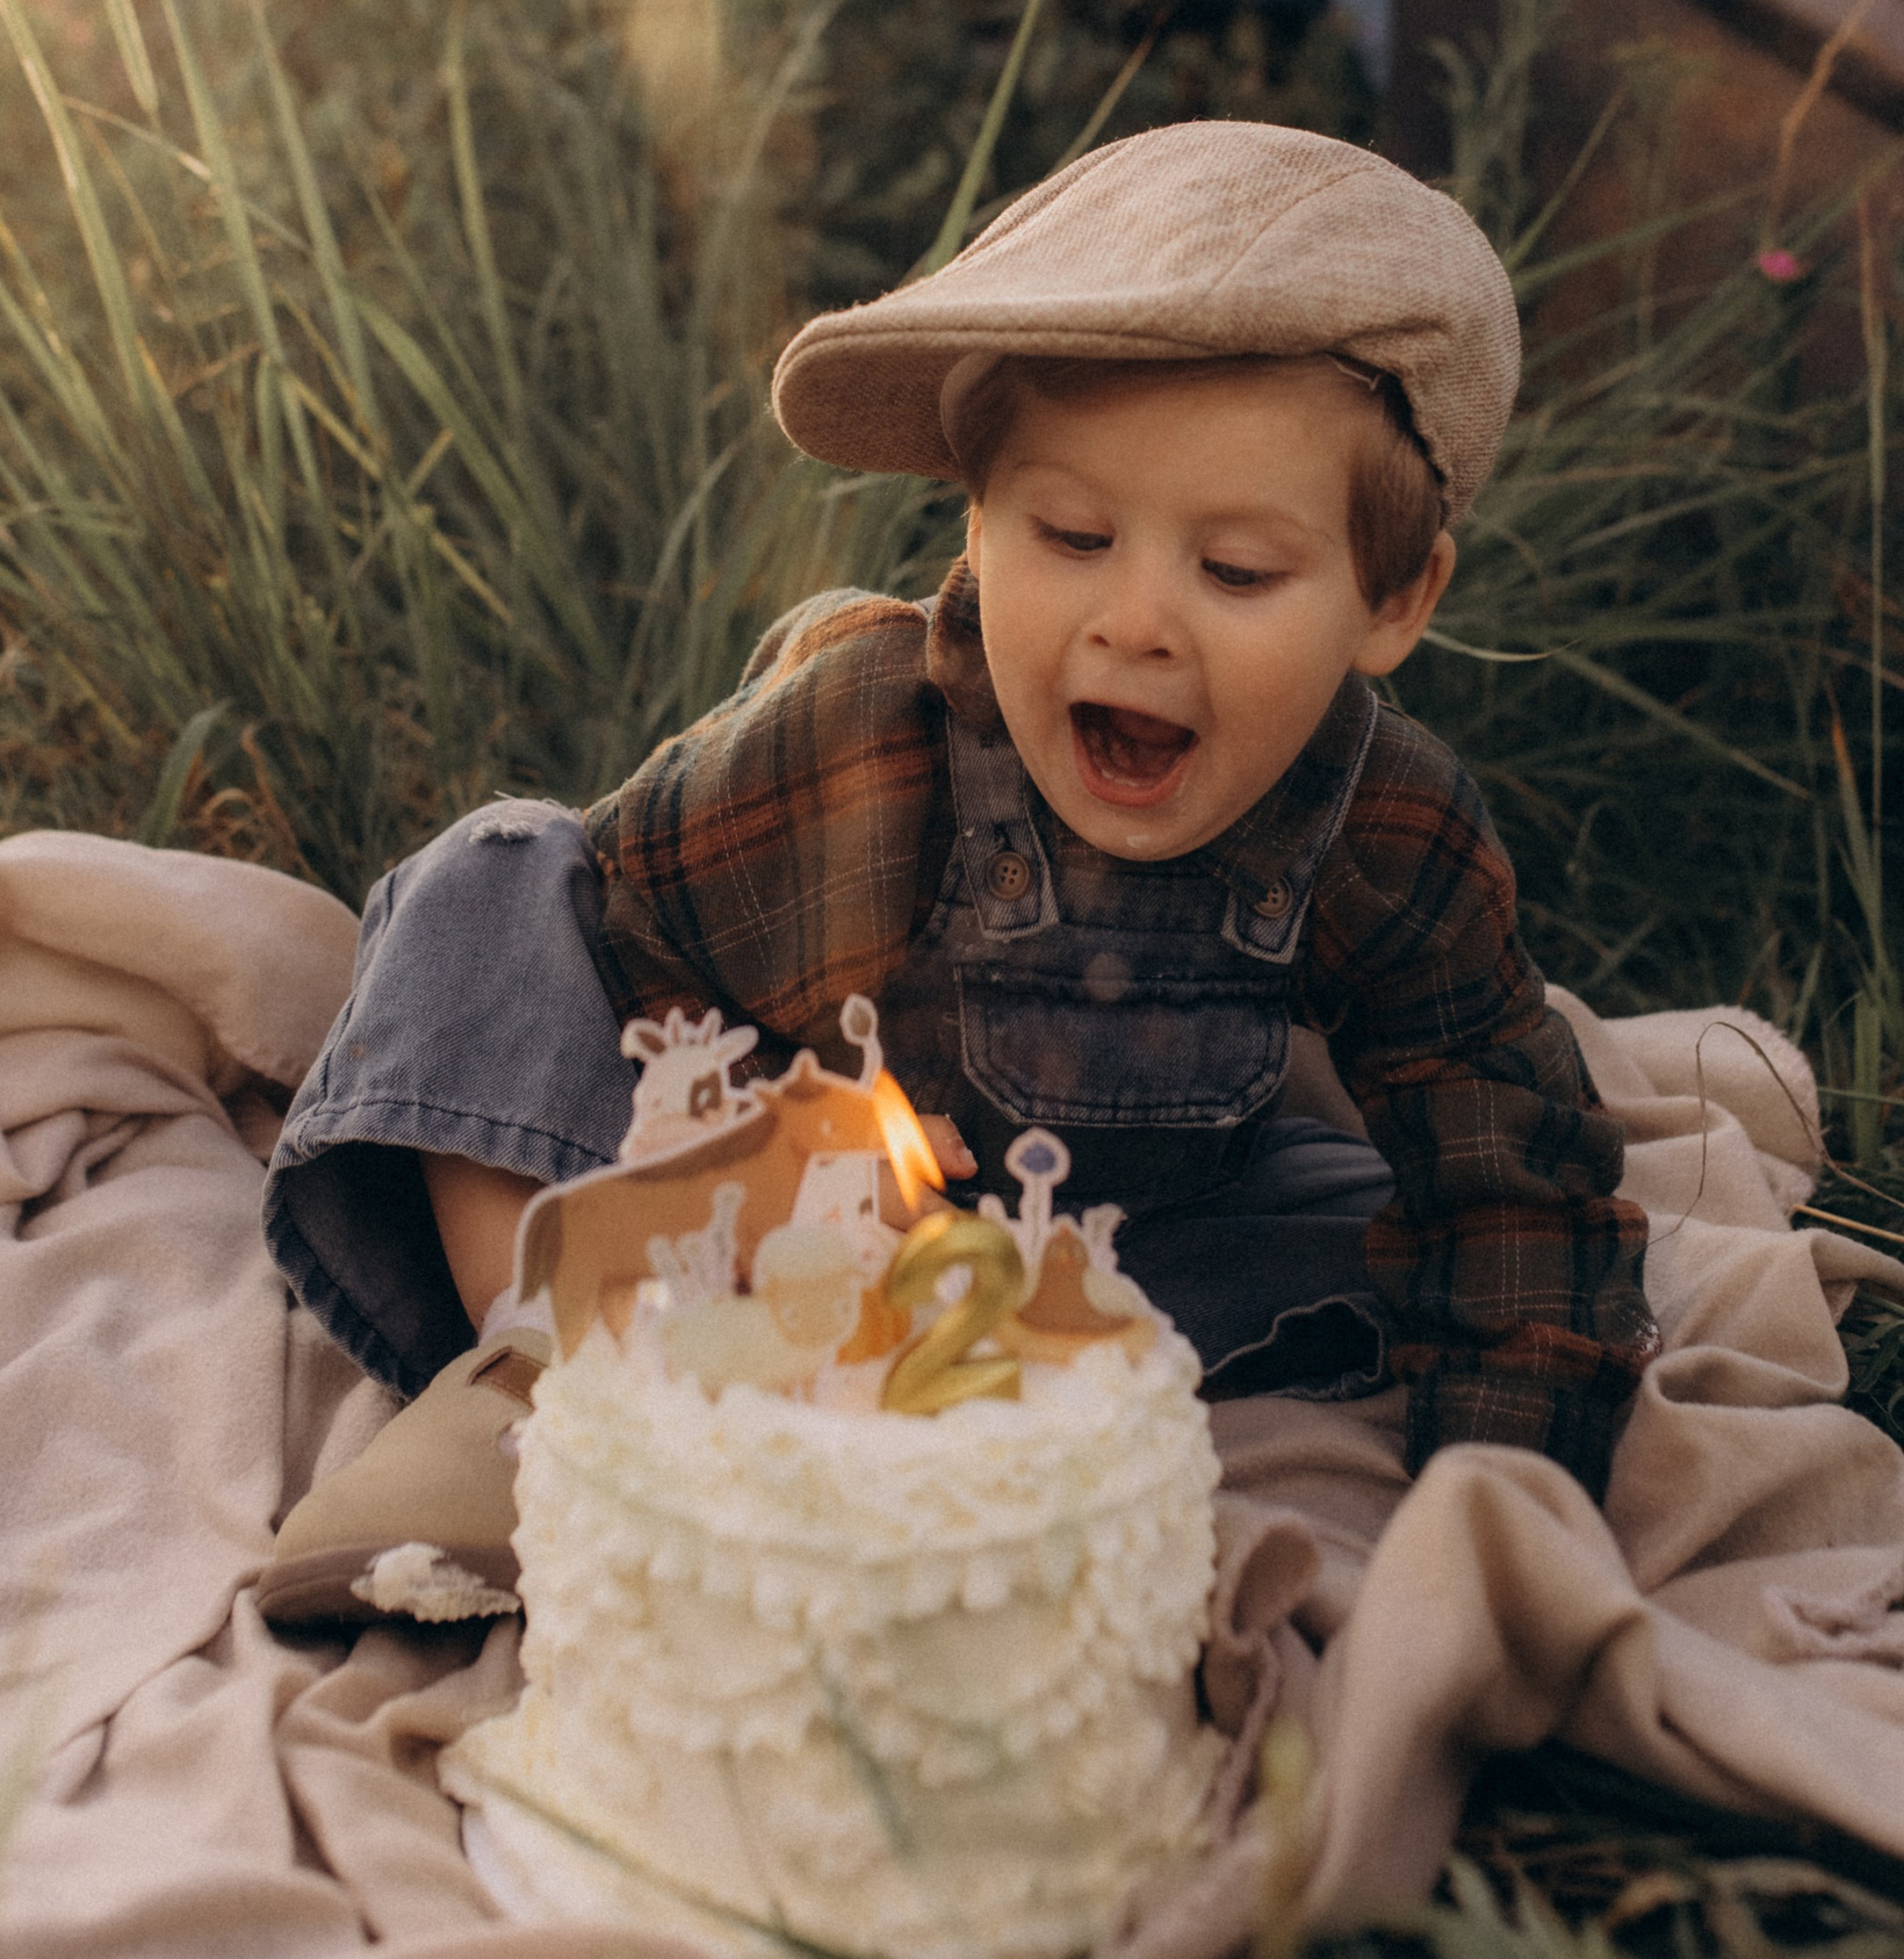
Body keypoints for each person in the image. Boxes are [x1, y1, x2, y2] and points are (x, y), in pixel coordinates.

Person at [256, 123, 1655, 1626]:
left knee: (1424, 1223)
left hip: (1100, 1253)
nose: (1137, 618)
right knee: (498, 882)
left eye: (1236, 571)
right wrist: (741, 1120)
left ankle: (946, 1420)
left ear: (1394, 600)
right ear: (976, 526)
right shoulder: (861, 735)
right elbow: (638, 926)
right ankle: (554, 1374)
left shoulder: (1387, 827)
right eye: (1069, 534)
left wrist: (1504, 1515)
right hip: (764, 1228)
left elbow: (1506, 1165)